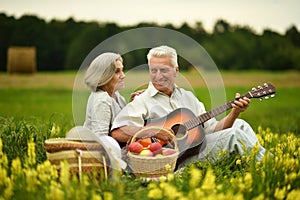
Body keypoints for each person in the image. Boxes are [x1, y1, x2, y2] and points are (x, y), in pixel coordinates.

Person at [110, 45, 271, 169]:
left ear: (176, 71)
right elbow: (118, 131)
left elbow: (213, 129)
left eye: (164, 70)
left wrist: (235, 112)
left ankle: (257, 163)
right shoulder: (142, 100)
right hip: (173, 164)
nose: (158, 76)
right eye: (153, 70)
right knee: (234, 135)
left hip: (194, 151)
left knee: (239, 125)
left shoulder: (188, 97)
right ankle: (271, 166)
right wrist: (155, 131)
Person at [67, 52, 130, 171]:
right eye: (117, 72)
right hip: (104, 159)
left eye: (122, 70)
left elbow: (124, 121)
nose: (123, 75)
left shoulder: (116, 95)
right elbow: (101, 141)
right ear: (104, 75)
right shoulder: (102, 100)